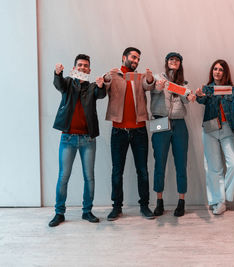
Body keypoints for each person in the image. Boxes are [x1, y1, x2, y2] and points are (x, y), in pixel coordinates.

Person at [48, 54, 106, 227]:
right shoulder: (67, 83)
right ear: (74, 68)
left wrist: (102, 85)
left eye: (85, 66)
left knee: (89, 177)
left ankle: (87, 211)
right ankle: (59, 213)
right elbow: (58, 84)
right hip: (68, 138)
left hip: (88, 139)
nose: (82, 68)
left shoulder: (93, 87)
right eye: (79, 65)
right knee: (63, 177)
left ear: (89, 69)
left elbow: (101, 94)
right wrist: (58, 73)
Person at [103, 47, 155, 220]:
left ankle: (145, 206)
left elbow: (149, 86)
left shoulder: (139, 77)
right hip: (119, 131)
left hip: (139, 130)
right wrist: (106, 78)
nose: (136, 61)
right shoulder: (114, 75)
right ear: (124, 57)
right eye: (133, 57)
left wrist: (149, 79)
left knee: (143, 170)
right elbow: (103, 88)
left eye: (138, 59)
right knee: (117, 171)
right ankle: (116, 207)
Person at [195, 59, 234, 215]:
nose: (217, 72)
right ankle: (219, 202)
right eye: (215, 69)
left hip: (228, 129)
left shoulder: (232, 89)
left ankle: (220, 199)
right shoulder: (207, 88)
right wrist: (199, 95)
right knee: (214, 168)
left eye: (220, 70)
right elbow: (202, 99)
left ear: (225, 73)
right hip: (210, 129)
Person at [145, 52, 195, 217]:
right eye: (171, 59)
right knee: (159, 163)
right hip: (160, 121)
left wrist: (192, 95)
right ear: (166, 62)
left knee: (181, 163)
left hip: (179, 124)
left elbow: (188, 98)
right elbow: (151, 86)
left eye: (177, 60)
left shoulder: (184, 83)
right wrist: (156, 85)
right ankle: (159, 202)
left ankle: (181, 202)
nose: (174, 62)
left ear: (180, 64)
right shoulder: (158, 78)